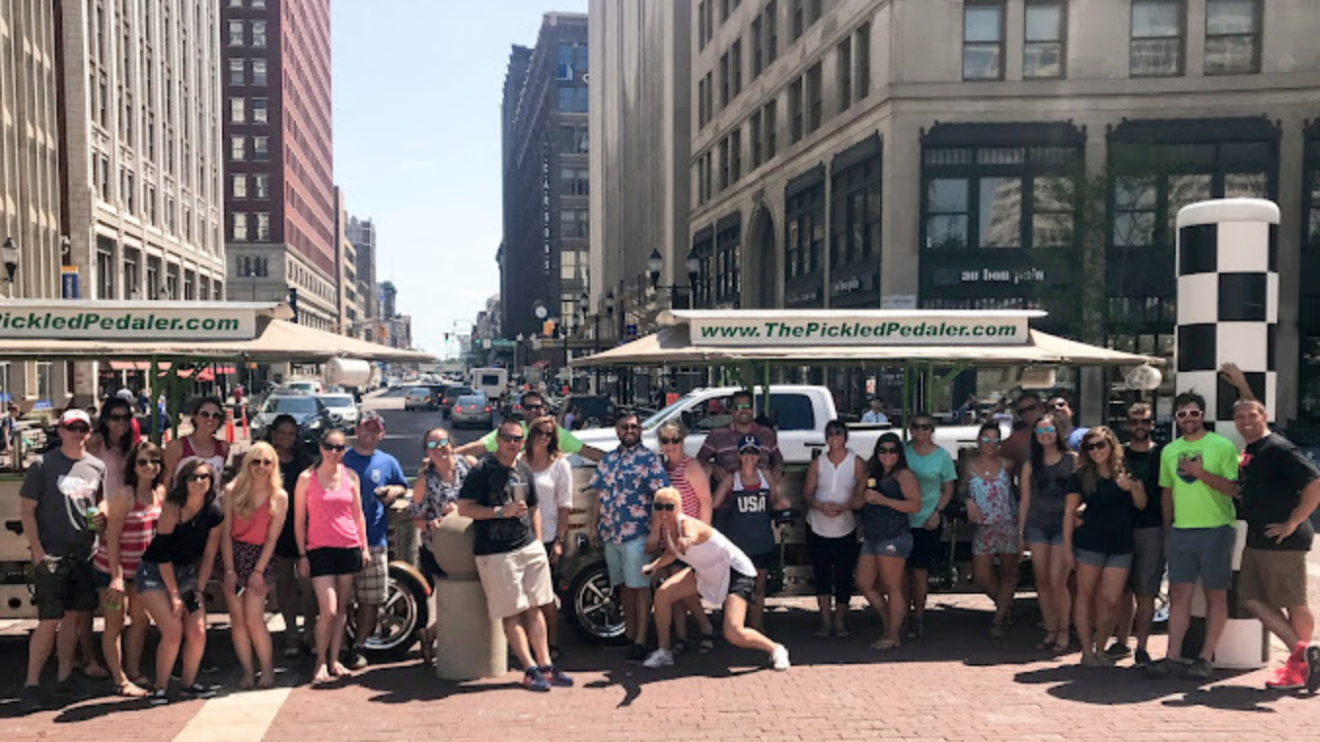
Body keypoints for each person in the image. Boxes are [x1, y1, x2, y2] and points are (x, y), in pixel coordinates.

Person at [457, 420, 573, 692]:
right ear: (498, 439)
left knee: (536, 607)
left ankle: (545, 666)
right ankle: (529, 669)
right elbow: (464, 508)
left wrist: (536, 544)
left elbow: (533, 507)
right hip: (497, 551)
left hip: (528, 547)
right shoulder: (483, 469)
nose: (513, 443)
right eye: (508, 438)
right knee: (511, 611)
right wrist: (499, 511)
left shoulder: (522, 468)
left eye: (518, 439)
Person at [641, 487, 790, 671]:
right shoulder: (667, 529)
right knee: (663, 594)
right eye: (659, 506)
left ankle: (776, 649)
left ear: (678, 508)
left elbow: (690, 536)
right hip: (706, 571)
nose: (663, 511)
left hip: (735, 570)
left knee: (733, 632)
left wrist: (687, 540)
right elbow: (672, 553)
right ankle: (664, 652)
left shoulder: (688, 525)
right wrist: (654, 566)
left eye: (669, 507)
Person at [18, 410, 107, 714]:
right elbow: (27, 510)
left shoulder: (96, 466)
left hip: (84, 551)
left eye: (83, 428)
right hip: (53, 553)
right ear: (61, 430)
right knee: (48, 620)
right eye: (72, 428)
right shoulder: (43, 465)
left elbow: (100, 503)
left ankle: (64, 677)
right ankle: (31, 683)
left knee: (73, 618)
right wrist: (38, 551)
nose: (78, 433)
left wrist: (103, 517)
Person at [1148, 391, 1240, 682]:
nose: (1188, 418)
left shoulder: (1222, 446)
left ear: (1203, 415)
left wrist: (1200, 473)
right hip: (1182, 530)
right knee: (1179, 594)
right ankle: (1172, 656)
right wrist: (1168, 528)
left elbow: (1233, 489)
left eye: (1194, 413)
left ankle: (1205, 657)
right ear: (1176, 418)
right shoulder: (1169, 450)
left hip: (1216, 528)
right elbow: (1167, 491)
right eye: (1182, 414)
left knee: (1215, 593)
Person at [1231, 398, 1320, 692]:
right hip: (1258, 538)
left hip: (1283, 539)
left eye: (1251, 415)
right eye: (1240, 416)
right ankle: (1303, 653)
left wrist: (1293, 522)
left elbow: (1314, 483)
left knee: (1294, 602)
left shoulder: (1279, 449)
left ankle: (1300, 665)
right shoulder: (1253, 451)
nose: (1245, 421)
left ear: (1264, 416)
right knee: (1251, 598)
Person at [136, 459, 224, 705]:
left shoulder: (214, 511)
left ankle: (188, 684)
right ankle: (160, 687)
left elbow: (208, 555)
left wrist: (198, 589)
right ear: (183, 481)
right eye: (193, 477)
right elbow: (162, 554)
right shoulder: (173, 507)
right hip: (155, 572)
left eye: (204, 477)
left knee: (197, 630)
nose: (199, 482)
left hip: (186, 574)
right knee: (173, 630)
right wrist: (174, 595)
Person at [587, 413, 669, 661]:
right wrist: (593, 527)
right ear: (617, 430)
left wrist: (656, 531)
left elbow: (661, 498)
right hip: (611, 533)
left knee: (640, 587)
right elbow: (598, 495)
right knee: (623, 587)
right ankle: (630, 633)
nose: (630, 430)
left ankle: (642, 639)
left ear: (641, 430)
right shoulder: (608, 459)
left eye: (634, 426)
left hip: (638, 533)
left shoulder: (650, 460)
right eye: (625, 426)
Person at [1063, 427, 1146, 667]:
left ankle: (1101, 648)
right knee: (1085, 596)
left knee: (1111, 600)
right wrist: (1067, 549)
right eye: (1091, 447)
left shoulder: (1125, 470)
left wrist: (1131, 487)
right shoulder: (1080, 476)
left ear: (1111, 445)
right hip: (1089, 544)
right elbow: (1069, 512)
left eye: (1101, 445)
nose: (1096, 450)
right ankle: (1087, 651)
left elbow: (1141, 505)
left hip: (1120, 545)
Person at [295, 429, 370, 685]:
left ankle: (335, 659)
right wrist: (302, 553)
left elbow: (358, 514)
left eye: (339, 448)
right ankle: (320, 662)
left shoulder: (350, 476)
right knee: (328, 608)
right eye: (329, 446)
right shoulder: (306, 478)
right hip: (319, 549)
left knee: (341, 609)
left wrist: (364, 547)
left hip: (347, 545)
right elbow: (299, 520)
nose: (334, 452)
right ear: (320, 447)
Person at [92, 440, 164, 698]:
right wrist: (116, 577)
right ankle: (119, 679)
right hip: (113, 570)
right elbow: (111, 537)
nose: (149, 466)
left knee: (141, 620)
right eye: (142, 461)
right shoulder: (124, 495)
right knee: (114, 622)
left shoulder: (160, 493)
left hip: (142, 572)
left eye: (154, 461)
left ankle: (133, 671)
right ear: (133, 466)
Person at [341, 410, 408, 670]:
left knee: (371, 598)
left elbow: (401, 484)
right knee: (343, 599)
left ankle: (359, 646)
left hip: (374, 539)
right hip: (342, 540)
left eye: (374, 430)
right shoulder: (342, 458)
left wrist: (394, 490)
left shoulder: (388, 461)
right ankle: (343, 643)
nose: (369, 434)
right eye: (364, 429)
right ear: (356, 430)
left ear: (382, 434)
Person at [220, 442, 288, 690]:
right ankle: (248, 672)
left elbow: (272, 538)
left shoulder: (279, 496)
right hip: (234, 554)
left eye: (267, 462)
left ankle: (267, 670)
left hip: (261, 556)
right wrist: (229, 569)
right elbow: (225, 533)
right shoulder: (232, 490)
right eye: (256, 461)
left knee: (254, 618)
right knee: (237, 619)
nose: (261, 467)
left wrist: (258, 571)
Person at [410, 426, 476, 667]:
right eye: (432, 445)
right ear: (426, 451)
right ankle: (437, 638)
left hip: (472, 543)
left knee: (475, 597)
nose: (439, 449)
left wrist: (462, 509)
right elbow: (416, 520)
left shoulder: (468, 465)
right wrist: (431, 524)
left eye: (443, 443)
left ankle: (441, 637)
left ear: (451, 443)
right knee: (451, 599)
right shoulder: (424, 479)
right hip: (442, 550)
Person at [711, 435, 789, 632]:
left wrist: (781, 503)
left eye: (753, 452)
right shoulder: (732, 478)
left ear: (758, 456)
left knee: (759, 585)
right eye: (745, 452)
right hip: (738, 542)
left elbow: (774, 501)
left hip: (761, 540)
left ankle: (757, 625)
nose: (749, 457)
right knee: (737, 586)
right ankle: (736, 625)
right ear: (739, 455)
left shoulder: (766, 476)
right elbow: (713, 503)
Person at [650, 420, 715, 652]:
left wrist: (702, 536)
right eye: (665, 441)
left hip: (689, 537)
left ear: (682, 441)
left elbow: (705, 500)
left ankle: (705, 626)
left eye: (674, 440)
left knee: (680, 586)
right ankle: (681, 636)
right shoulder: (661, 468)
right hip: (667, 537)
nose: (670, 445)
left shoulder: (691, 466)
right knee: (674, 590)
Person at [854, 433, 922, 650]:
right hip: (872, 535)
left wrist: (884, 500)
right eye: (883, 450)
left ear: (899, 453)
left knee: (892, 586)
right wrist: (861, 498)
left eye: (893, 450)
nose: (888, 454)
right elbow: (856, 501)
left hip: (894, 535)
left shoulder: (904, 475)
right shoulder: (870, 473)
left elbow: (914, 505)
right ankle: (891, 622)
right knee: (864, 583)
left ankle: (892, 635)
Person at [1109, 403, 1165, 666]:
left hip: (1152, 529)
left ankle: (1142, 646)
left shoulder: (1163, 454)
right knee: (1122, 591)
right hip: (1120, 527)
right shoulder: (1117, 454)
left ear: (1152, 424)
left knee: (1146, 592)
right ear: (1127, 424)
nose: (1139, 426)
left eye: (1144, 421)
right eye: (1134, 421)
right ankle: (1121, 642)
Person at [1019, 413, 1078, 653]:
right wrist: (1020, 531)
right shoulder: (1030, 465)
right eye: (1040, 432)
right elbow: (1025, 499)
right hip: (1037, 525)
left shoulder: (1072, 460)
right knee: (1042, 582)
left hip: (1063, 526)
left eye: (1049, 431)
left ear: (1057, 432)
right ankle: (1050, 631)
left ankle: (1064, 631)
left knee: (1058, 581)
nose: (1045, 436)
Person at [518, 415, 574, 660]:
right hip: (520, 536)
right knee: (523, 595)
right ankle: (530, 642)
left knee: (546, 595)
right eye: (539, 432)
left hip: (548, 536)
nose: (544, 437)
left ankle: (551, 642)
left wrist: (559, 540)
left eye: (549, 433)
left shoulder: (560, 465)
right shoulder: (519, 462)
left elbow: (565, 505)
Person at [803, 420, 862, 638]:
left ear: (845, 437)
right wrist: (820, 505)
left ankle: (840, 622)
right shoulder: (818, 463)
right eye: (830, 434)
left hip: (845, 526)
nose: (834, 438)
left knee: (844, 576)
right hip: (818, 526)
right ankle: (826, 622)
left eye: (838, 434)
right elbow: (808, 493)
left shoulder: (856, 462)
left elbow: (860, 494)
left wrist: (844, 507)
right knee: (822, 575)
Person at [963, 422, 1020, 638]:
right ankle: (1005, 605)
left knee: (1008, 573)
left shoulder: (1008, 464)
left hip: (1007, 523)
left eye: (995, 440)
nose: (990, 444)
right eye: (986, 439)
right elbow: (961, 488)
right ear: (979, 441)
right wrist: (967, 500)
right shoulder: (968, 465)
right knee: (981, 575)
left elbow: (1017, 490)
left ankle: (1000, 617)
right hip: (982, 527)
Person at [903, 413, 956, 640]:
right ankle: (902, 614)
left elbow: (948, 489)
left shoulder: (941, 456)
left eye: (926, 427)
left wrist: (937, 512)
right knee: (900, 574)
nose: (921, 431)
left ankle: (918, 616)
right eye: (916, 427)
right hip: (901, 519)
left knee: (919, 572)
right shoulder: (902, 452)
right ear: (910, 429)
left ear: (932, 430)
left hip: (927, 520)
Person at [268, 414, 317, 660]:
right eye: (282, 433)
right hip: (276, 530)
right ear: (273, 434)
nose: (286, 438)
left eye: (291, 434)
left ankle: (310, 630)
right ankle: (291, 634)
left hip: (303, 527)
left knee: (307, 585)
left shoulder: (305, 461)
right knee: (284, 583)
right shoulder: (265, 460)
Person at [455, 391, 604, 462]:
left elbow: (586, 451)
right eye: (529, 407)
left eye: (537, 407)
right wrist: (442, 457)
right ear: (521, 409)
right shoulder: (512, 429)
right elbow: (476, 447)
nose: (534, 411)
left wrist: (620, 461)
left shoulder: (555, 431)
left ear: (544, 409)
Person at [696, 389, 785, 483]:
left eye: (747, 406)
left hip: (762, 490)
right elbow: (699, 460)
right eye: (738, 407)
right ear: (731, 410)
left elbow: (778, 459)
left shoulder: (767, 434)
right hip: (727, 490)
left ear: (753, 409)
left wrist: (778, 468)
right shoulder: (717, 435)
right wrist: (712, 466)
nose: (743, 411)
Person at [164, 396, 229, 496]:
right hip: (183, 507)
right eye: (205, 414)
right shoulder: (177, 446)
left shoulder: (223, 447)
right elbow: (166, 482)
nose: (210, 419)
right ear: (195, 417)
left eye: (216, 415)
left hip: (213, 507)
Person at [1001, 392, 1045, 465]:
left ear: (1042, 408)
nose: (1027, 413)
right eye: (1021, 412)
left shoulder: (1059, 431)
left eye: (1031, 408)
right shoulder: (1016, 439)